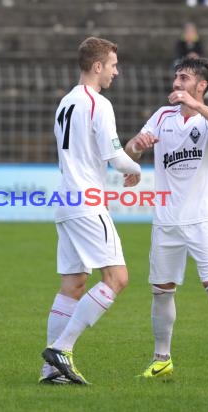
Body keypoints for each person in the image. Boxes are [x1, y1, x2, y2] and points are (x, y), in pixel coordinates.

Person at [125, 57, 208, 383]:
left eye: (183, 78)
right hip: (166, 221)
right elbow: (130, 149)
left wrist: (196, 106)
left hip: (203, 221)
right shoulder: (162, 116)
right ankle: (161, 358)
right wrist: (137, 147)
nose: (176, 82)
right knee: (161, 291)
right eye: (176, 77)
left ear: (201, 85)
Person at [40, 37, 142, 385]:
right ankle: (62, 349)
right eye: (113, 64)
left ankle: (51, 370)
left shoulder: (66, 102)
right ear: (97, 66)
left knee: (73, 283)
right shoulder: (99, 103)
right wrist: (138, 168)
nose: (116, 70)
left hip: (65, 200)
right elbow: (114, 157)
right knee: (118, 279)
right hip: (86, 202)